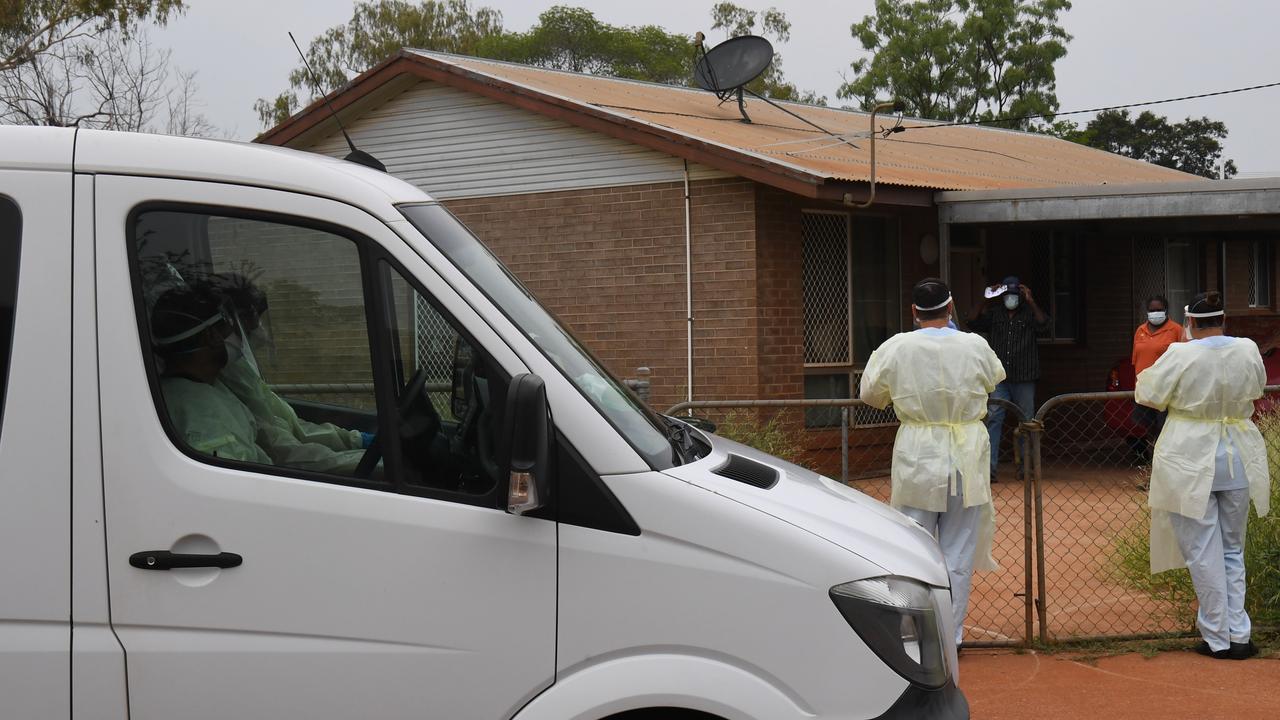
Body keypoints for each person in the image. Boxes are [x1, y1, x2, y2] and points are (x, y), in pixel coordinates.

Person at [861, 278, 1006, 647]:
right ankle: (949, 637)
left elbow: (870, 395)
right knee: (957, 551)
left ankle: (912, 634)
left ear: (913, 311)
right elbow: (993, 380)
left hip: (918, 454)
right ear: (951, 306)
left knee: (910, 547)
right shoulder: (974, 345)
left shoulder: (896, 347)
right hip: (965, 454)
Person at [1135, 291, 1269, 660]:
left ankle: (1217, 636)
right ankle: (1238, 632)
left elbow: (1147, 392)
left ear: (1190, 321)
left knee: (1201, 550)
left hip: (1190, 456)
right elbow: (1257, 388)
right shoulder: (1247, 348)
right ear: (1223, 320)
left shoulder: (1181, 353)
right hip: (1237, 453)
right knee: (1231, 548)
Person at [150, 285, 368, 474]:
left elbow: (274, 435)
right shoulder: (202, 416)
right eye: (231, 326)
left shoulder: (210, 389)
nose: (241, 336)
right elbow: (247, 484)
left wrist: (358, 445)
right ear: (211, 336)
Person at [210, 273, 373, 453]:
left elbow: (292, 428)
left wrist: (356, 441)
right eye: (254, 315)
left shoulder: (240, 369)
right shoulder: (229, 377)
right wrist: (372, 462)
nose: (259, 326)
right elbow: (282, 450)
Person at [967, 275, 1050, 480]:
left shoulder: (1029, 314)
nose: (1010, 299)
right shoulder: (995, 314)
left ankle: (1027, 468)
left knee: (1027, 422)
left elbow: (1045, 324)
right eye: (1007, 295)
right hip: (999, 378)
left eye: (1014, 295)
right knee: (994, 419)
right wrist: (986, 297)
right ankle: (989, 470)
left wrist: (1031, 301)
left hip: (1025, 377)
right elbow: (972, 321)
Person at [1130, 295, 1183, 464]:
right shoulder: (1140, 331)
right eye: (1152, 310)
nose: (1155, 313)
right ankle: (1152, 469)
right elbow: (1136, 360)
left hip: (1166, 391)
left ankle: (1167, 467)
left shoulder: (1176, 330)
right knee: (1150, 430)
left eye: (1159, 309)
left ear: (1166, 310)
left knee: (1165, 430)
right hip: (1145, 391)